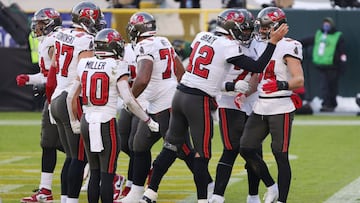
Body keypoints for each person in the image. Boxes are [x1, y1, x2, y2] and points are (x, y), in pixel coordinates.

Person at [140, 8, 288, 203]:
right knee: (202, 155)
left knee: (171, 145)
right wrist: (273, 43)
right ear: (231, 28)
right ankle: (203, 200)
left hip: (180, 95)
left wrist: (230, 85)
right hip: (197, 101)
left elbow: (206, 72)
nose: (246, 33)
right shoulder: (229, 45)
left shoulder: (202, 36)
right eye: (242, 29)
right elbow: (257, 67)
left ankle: (149, 193)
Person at [118, 11, 212, 203]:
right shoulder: (163, 41)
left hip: (166, 105)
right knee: (139, 144)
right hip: (159, 103)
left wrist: (129, 97)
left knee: (183, 149)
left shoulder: (144, 47)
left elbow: (143, 78)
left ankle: (209, 186)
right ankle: (137, 192)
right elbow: (180, 71)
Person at [66, 28, 159, 203]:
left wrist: (73, 121)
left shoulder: (84, 63)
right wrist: (147, 120)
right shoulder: (117, 66)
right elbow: (129, 100)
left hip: (86, 119)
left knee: (94, 172)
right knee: (107, 174)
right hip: (106, 122)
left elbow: (71, 96)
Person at [239, 7, 304, 203]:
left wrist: (281, 84)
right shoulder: (261, 44)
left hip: (281, 106)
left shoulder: (289, 46)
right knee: (246, 148)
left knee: (280, 155)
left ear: (278, 26)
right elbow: (258, 75)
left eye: (267, 26)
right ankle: (271, 186)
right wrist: (246, 92)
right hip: (260, 105)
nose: (262, 30)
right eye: (262, 26)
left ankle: (282, 200)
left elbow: (299, 79)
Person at [45, 2, 106, 203]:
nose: (98, 23)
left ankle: (65, 199)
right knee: (78, 158)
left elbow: (53, 63)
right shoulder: (87, 41)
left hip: (56, 97)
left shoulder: (60, 33)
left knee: (71, 157)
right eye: (95, 19)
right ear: (87, 19)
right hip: (72, 99)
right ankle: (70, 200)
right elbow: (85, 74)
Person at [208, 8, 263, 203]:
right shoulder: (221, 46)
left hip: (252, 100)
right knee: (231, 149)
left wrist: (247, 92)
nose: (248, 34)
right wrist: (231, 88)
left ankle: (253, 196)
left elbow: (258, 72)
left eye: (250, 30)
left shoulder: (256, 43)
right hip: (228, 100)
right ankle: (217, 196)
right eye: (244, 30)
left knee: (254, 149)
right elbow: (209, 82)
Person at [16, 7, 63, 203]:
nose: (37, 27)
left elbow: (57, 75)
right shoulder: (50, 40)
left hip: (59, 97)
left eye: (41, 23)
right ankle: (45, 190)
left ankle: (99, 171)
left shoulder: (53, 42)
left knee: (57, 143)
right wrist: (29, 79)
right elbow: (48, 75)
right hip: (55, 96)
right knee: (49, 143)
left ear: (50, 24)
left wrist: (35, 81)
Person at [300, 17, 347, 112]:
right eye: (325, 23)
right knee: (325, 86)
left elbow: (342, 52)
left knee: (332, 86)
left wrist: (342, 64)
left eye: (328, 24)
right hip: (322, 64)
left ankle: (331, 104)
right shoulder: (319, 35)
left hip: (333, 65)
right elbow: (307, 41)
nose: (326, 26)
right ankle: (327, 104)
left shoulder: (337, 36)